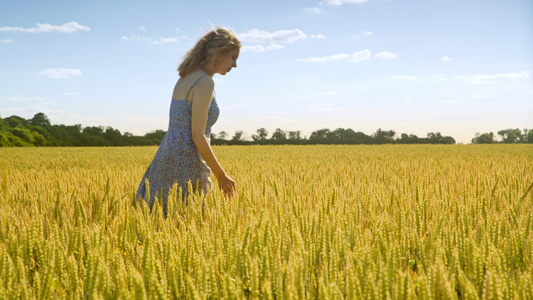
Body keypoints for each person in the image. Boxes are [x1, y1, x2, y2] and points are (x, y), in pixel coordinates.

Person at [136, 27, 239, 214]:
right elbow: (197, 135)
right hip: (187, 162)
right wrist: (221, 176)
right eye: (233, 57)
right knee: (188, 223)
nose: (235, 64)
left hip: (166, 157)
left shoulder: (185, 78)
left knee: (160, 223)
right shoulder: (205, 82)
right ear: (219, 53)